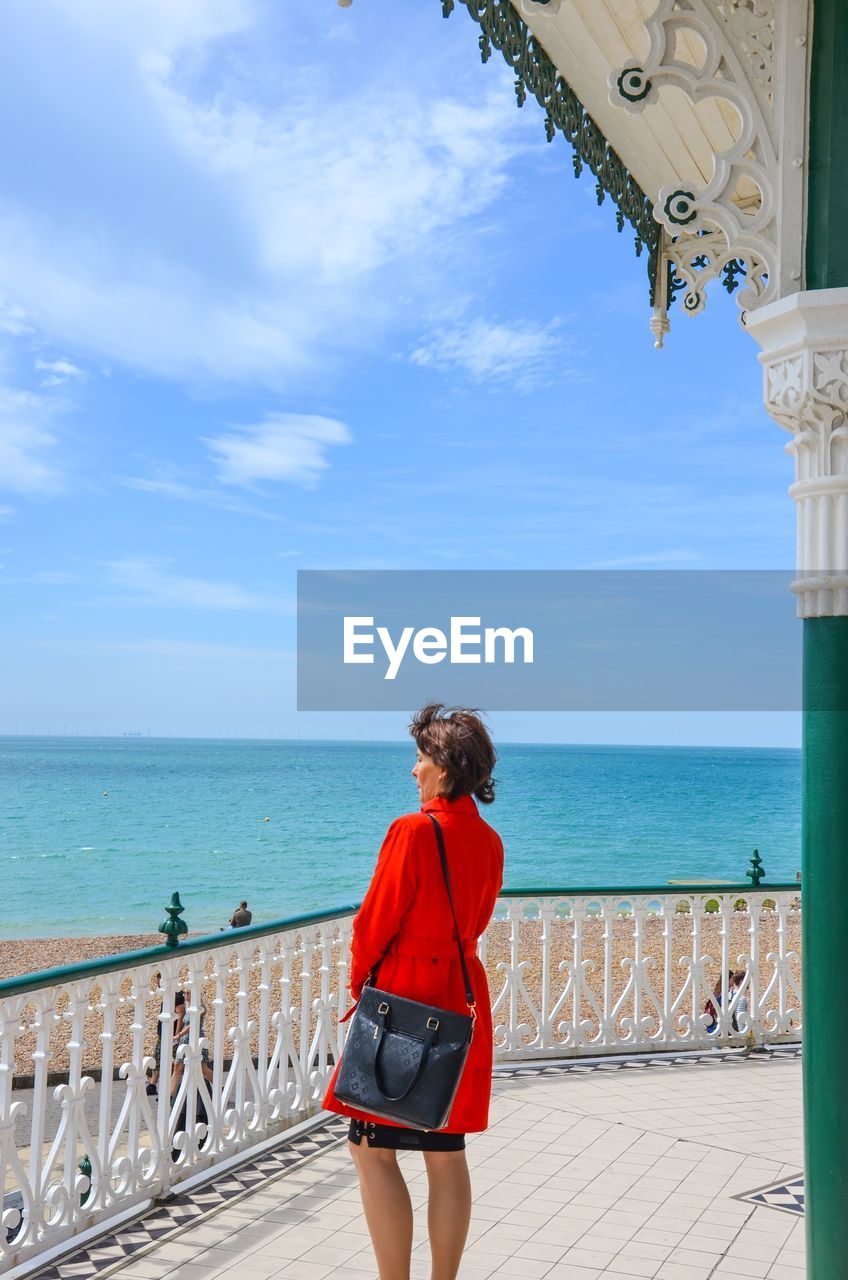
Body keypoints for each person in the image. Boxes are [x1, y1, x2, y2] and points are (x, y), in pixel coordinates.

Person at [323, 703, 504, 1280]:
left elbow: (374, 923)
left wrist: (357, 989)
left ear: (445, 768)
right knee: (445, 1153)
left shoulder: (411, 831)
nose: (414, 769)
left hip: (405, 997)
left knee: (370, 1147)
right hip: (460, 998)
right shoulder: (489, 840)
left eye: (422, 757)